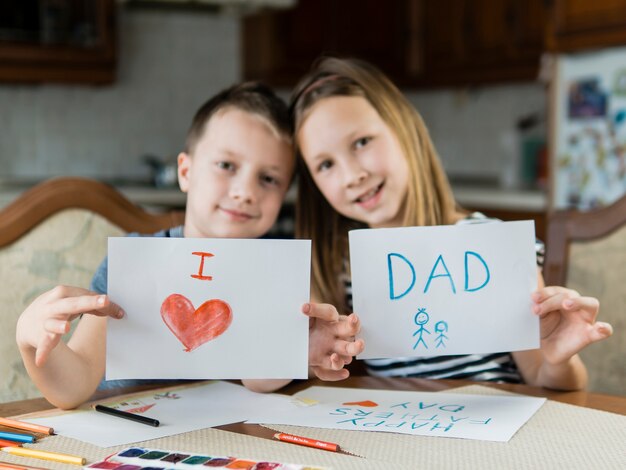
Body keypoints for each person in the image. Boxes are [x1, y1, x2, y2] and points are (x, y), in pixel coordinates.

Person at [16, 82, 363, 410]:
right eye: (226, 165)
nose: (245, 191)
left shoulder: (272, 272)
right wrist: (31, 341)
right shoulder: (133, 264)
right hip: (130, 435)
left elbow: (259, 378)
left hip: (224, 442)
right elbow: (73, 386)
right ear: (185, 171)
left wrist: (297, 349)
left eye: (268, 179)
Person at [289, 57, 613, 390]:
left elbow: (549, 378)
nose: (353, 175)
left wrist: (559, 359)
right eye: (326, 164)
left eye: (361, 143)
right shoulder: (334, 269)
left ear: (405, 129)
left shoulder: (492, 243)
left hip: (497, 428)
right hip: (398, 433)